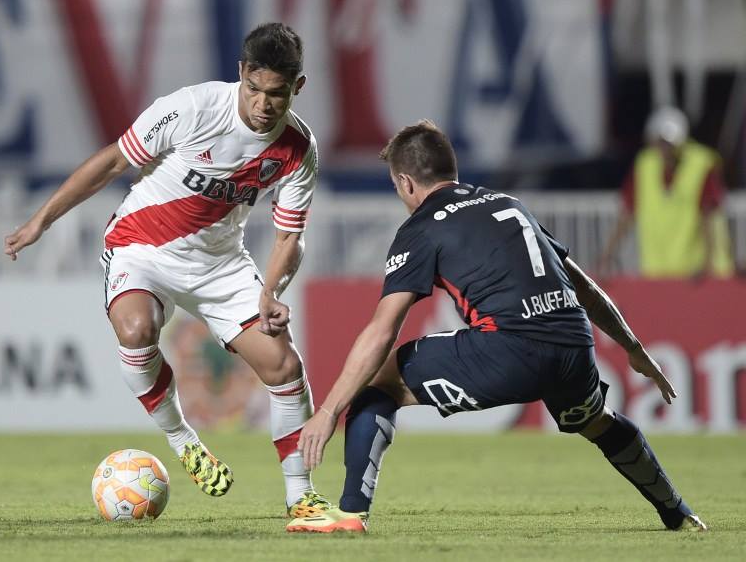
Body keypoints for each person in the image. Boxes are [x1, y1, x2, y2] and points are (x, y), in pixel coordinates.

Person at [286, 120, 707, 534]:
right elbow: (582, 284)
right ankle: (677, 511)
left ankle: (350, 514)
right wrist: (633, 346)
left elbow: (383, 330)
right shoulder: (510, 204)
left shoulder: (420, 227)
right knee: (598, 421)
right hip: (574, 347)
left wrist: (328, 411)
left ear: (405, 183)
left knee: (379, 383)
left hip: (509, 352)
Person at [4, 22, 331, 518]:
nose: (264, 105)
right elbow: (114, 162)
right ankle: (183, 441)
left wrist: (272, 291)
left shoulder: (297, 148)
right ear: (241, 74)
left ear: (298, 87)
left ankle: (300, 497)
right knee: (137, 330)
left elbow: (288, 235)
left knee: (285, 367)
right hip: (142, 248)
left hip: (220, 264)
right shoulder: (192, 108)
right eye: (255, 89)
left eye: (278, 94)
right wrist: (41, 221)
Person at [598, 106, 734, 278]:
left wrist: (708, 264)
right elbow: (627, 214)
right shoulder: (645, 165)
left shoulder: (702, 164)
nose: (665, 149)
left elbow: (709, 215)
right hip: (659, 272)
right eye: (660, 142)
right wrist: (607, 255)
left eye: (670, 143)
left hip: (697, 273)